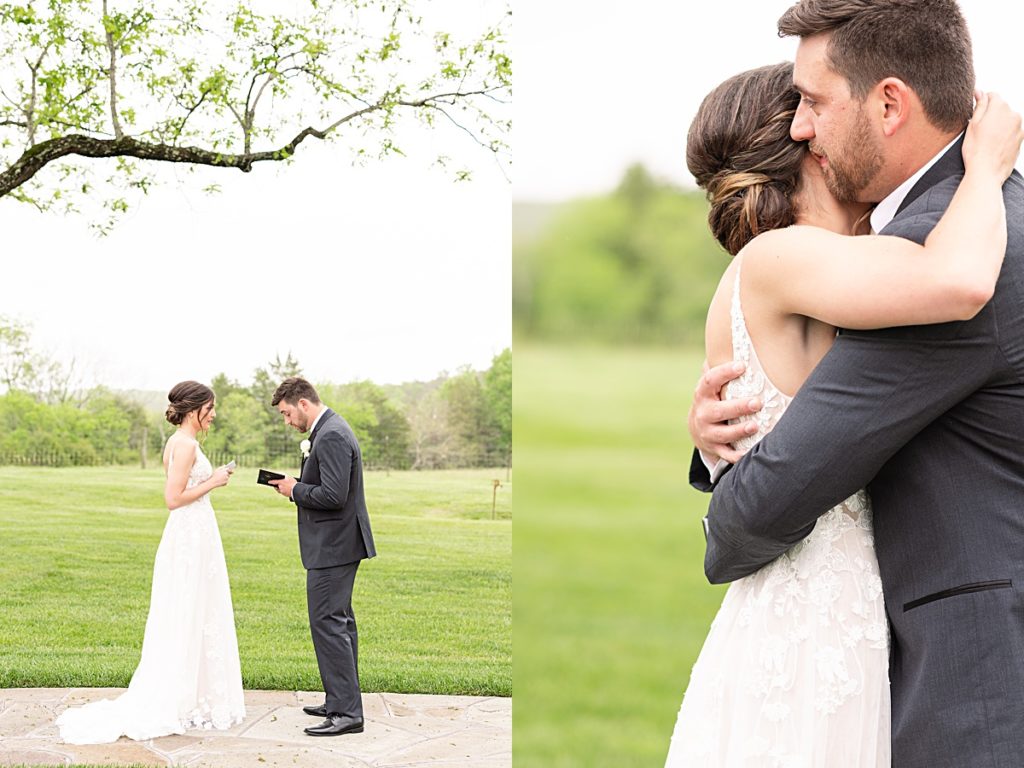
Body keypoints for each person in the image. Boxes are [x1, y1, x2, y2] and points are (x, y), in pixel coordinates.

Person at [686, 1, 1024, 766]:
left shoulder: (934, 241)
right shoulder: (810, 258)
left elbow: (961, 283)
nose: (808, 125)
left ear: (887, 103)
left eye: (814, 102)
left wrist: (720, 483)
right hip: (822, 628)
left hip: (916, 647)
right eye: (798, 107)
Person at [56, 381, 245, 744]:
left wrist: (210, 478)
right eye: (211, 408)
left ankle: (193, 694)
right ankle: (180, 697)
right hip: (188, 534)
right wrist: (215, 481)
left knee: (194, 609)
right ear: (195, 410)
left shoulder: (178, 443)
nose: (215, 414)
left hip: (194, 534)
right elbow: (173, 498)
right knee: (187, 609)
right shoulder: (186, 444)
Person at [268, 377, 376, 737]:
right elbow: (331, 485)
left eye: (286, 413)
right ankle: (339, 700)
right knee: (339, 623)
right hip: (339, 543)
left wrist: (294, 490)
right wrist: (296, 483)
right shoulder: (330, 428)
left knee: (328, 623)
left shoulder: (329, 435)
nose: (286, 421)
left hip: (334, 546)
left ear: (302, 404)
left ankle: (347, 713)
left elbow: (333, 496)